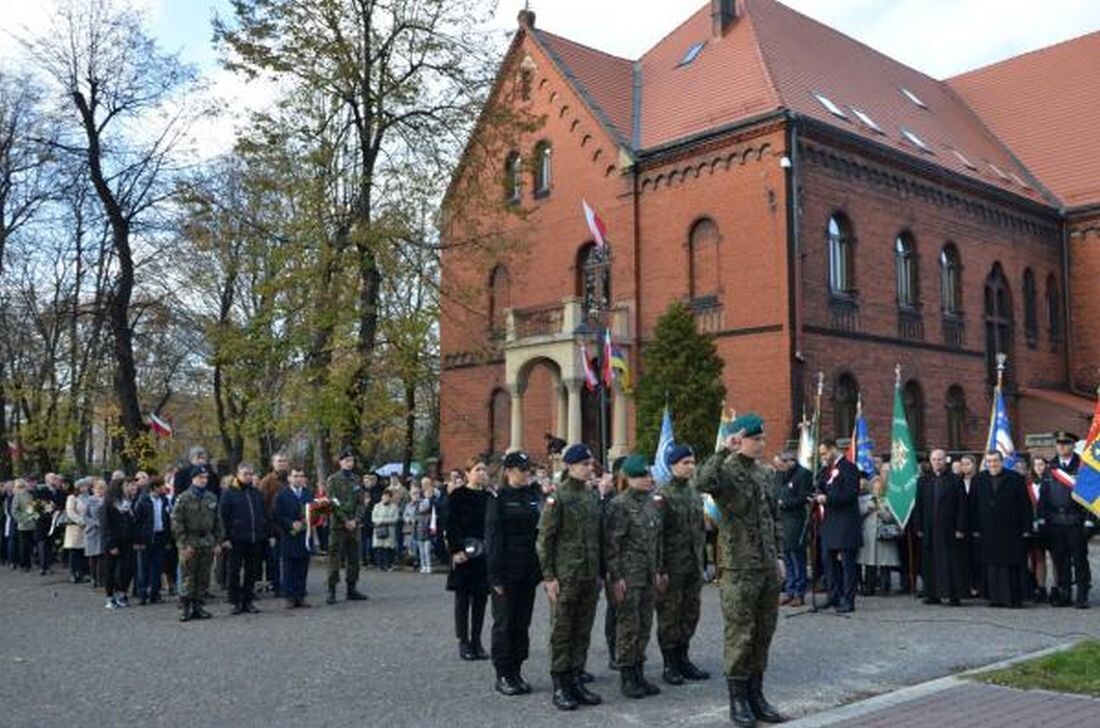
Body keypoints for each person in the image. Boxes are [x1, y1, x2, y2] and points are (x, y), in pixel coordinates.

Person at [696, 413, 786, 727]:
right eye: (754, 439)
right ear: (739, 439)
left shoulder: (765, 473)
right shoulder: (725, 470)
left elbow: (773, 518)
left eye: (762, 438)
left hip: (766, 565)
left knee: (763, 632)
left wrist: (779, 555)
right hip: (738, 566)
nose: (761, 444)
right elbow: (701, 482)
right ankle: (738, 701)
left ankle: (756, 695)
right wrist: (724, 449)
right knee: (740, 634)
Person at [536, 443, 603, 711]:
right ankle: (560, 684)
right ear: (570, 466)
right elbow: (544, 540)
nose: (590, 468)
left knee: (582, 630)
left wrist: (600, 572)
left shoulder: (591, 496)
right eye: (584, 464)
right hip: (566, 576)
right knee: (562, 631)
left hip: (588, 575)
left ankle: (576, 679)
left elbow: (598, 538)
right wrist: (549, 577)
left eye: (591, 464)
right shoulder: (558, 498)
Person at [604, 454, 663, 700]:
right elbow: (612, 544)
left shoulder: (650, 503)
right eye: (641, 476)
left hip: (647, 574)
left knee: (644, 624)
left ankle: (638, 670)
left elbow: (656, 541)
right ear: (628, 478)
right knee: (628, 625)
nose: (647, 479)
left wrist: (658, 570)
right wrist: (616, 577)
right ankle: (627, 675)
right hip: (628, 576)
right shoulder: (619, 505)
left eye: (648, 475)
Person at [485, 450, 543, 696]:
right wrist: (495, 576)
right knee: (505, 624)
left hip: (527, 570)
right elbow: (493, 538)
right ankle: (503, 673)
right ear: (509, 471)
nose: (527, 473)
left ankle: (517, 669)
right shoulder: (498, 498)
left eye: (529, 469)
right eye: (522, 470)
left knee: (522, 623)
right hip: (506, 571)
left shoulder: (531, 497)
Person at [655, 444, 709, 687]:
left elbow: (700, 531)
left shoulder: (693, 492)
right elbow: (657, 536)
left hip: (692, 565)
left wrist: (702, 562)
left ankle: (683, 658)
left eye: (692, 462)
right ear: (672, 465)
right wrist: (660, 569)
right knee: (670, 615)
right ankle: (670, 663)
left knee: (690, 613)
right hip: (672, 566)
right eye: (685, 462)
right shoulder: (663, 495)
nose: (691, 467)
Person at [972, 451, 1032, 608]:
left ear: (1001, 461)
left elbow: (1025, 505)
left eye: (995, 461)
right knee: (992, 565)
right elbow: (972, 505)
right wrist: (974, 527)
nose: (993, 464)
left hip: (1011, 530)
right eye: (990, 461)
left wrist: (1027, 527)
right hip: (988, 530)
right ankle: (995, 598)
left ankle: (1013, 598)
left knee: (1011, 566)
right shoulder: (979, 479)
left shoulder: (1015, 478)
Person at [447, 456, 491, 661]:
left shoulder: (490, 497)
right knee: (463, 599)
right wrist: (456, 550)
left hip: (484, 554)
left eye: (484, 470)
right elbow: (450, 524)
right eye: (477, 470)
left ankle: (477, 641)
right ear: (467, 473)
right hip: (464, 553)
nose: (482, 473)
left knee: (481, 599)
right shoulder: (458, 495)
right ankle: (463, 641)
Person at [1041, 431, 1091, 608]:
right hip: (1055, 521)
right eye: (1059, 444)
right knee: (1061, 560)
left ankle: (1082, 595)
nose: (1062, 447)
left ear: (1073, 445)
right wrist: (1042, 520)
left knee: (1079, 560)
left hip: (1076, 520)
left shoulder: (1083, 466)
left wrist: (1089, 521)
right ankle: (1065, 593)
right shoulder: (1051, 468)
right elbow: (1044, 497)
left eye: (1066, 443)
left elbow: (1091, 495)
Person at [912, 449, 968, 605]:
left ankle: (953, 595)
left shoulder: (956, 480)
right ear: (930, 462)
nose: (937, 462)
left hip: (949, 529)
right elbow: (919, 505)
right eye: (934, 460)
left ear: (946, 461)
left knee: (951, 563)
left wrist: (960, 528)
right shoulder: (923, 481)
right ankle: (932, 594)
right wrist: (918, 527)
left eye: (940, 459)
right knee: (930, 563)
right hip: (930, 529)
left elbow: (962, 506)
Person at [816, 438, 862, 613]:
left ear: (833, 449)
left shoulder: (849, 468)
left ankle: (848, 600)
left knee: (847, 564)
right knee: (828, 562)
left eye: (824, 453)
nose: (823, 457)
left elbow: (850, 494)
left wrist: (828, 499)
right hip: (830, 523)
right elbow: (823, 487)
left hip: (845, 523)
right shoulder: (827, 470)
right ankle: (833, 595)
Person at [172, 467, 225, 622]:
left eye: (205, 477)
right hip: (190, 540)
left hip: (207, 540)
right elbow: (176, 523)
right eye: (200, 477)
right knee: (187, 576)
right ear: (193, 479)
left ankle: (198, 606)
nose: (204, 480)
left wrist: (218, 542)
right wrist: (183, 544)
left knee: (203, 576)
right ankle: (186, 608)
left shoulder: (211, 497)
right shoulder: (184, 498)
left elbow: (218, 522)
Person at [220, 462, 268, 615]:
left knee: (251, 571)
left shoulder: (256, 493)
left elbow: (263, 514)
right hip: (236, 538)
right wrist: (225, 538)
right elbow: (223, 517)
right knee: (234, 570)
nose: (248, 477)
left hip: (254, 538)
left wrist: (264, 533)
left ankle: (248, 600)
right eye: (245, 474)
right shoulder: (229, 493)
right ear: (238, 474)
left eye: (250, 474)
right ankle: (235, 601)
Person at [325, 449, 368, 604]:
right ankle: (331, 590)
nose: (350, 464)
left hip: (354, 526)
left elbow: (361, 503)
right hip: (338, 525)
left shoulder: (356, 479)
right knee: (335, 558)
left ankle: (352, 588)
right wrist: (345, 520)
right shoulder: (333, 480)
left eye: (352, 461)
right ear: (340, 462)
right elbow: (333, 503)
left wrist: (356, 519)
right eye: (347, 461)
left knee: (354, 558)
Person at [773, 451, 812, 607]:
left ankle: (799, 592)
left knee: (797, 556)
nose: (779, 468)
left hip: (795, 519)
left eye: (781, 465)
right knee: (786, 555)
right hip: (781, 519)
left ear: (790, 461)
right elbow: (775, 491)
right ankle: (789, 590)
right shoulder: (779, 474)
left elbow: (804, 496)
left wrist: (785, 503)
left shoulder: (803, 474)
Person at [274, 465, 314, 608]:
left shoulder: (308, 494)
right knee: (289, 566)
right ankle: (289, 596)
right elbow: (277, 515)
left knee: (303, 566)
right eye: (295, 476)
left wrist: (310, 521)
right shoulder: (282, 495)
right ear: (289, 478)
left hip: (305, 535)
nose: (298, 479)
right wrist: (290, 523)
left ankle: (301, 595)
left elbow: (314, 513)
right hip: (289, 535)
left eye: (301, 476)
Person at [857, 473, 901, 594]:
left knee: (885, 563)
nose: (877, 489)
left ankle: (884, 587)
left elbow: (893, 517)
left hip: (884, 535)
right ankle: (869, 587)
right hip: (868, 535)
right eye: (875, 487)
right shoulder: (865, 499)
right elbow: (858, 514)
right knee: (869, 563)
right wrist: (868, 508)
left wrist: (881, 511)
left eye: (879, 487)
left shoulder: (889, 500)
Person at [599, 458, 623, 671]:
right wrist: (606, 569)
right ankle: (614, 651)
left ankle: (629, 650)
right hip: (614, 565)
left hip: (635, 565)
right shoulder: (610, 502)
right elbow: (604, 538)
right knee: (615, 609)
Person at [134, 477, 172, 604]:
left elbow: (167, 520)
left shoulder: (164, 500)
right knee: (143, 567)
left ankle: (154, 593)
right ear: (155, 487)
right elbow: (137, 522)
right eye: (161, 486)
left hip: (160, 536)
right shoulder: (143, 501)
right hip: (146, 537)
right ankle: (142, 594)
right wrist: (138, 541)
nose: (164, 488)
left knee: (157, 567)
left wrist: (168, 539)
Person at [102, 478, 138, 610]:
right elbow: (106, 525)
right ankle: (109, 596)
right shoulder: (110, 504)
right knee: (110, 570)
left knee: (126, 568)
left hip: (127, 540)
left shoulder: (129, 504)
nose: (129, 488)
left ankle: (121, 592)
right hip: (113, 541)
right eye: (126, 485)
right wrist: (111, 544)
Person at [258, 452, 290, 597]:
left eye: (284, 461)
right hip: (274, 527)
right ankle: (276, 586)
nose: (282, 464)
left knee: (289, 557)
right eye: (279, 461)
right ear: (273, 463)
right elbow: (262, 506)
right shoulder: (266, 482)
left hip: (290, 526)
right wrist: (268, 529)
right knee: (274, 559)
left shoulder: (290, 480)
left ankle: (290, 583)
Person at [959, 454, 983, 597]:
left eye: (968, 464)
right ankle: (966, 586)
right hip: (962, 525)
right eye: (963, 464)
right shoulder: (958, 481)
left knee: (977, 557)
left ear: (975, 465)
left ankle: (977, 585)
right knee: (964, 558)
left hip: (977, 525)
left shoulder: (980, 481)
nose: (965, 467)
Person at [63, 479, 90, 584]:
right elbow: (70, 511)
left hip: (87, 528)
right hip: (75, 527)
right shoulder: (72, 498)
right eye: (82, 486)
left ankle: (85, 572)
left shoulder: (89, 497)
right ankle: (74, 573)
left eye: (86, 486)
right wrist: (80, 521)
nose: (84, 488)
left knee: (84, 551)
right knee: (75, 551)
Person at [371, 489, 400, 571]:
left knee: (388, 548)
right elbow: (373, 518)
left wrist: (383, 520)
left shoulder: (394, 507)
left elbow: (395, 518)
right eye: (384, 496)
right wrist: (380, 521)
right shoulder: (377, 506)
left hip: (390, 529)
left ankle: (388, 565)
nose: (385, 498)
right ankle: (380, 565)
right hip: (379, 529)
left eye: (387, 496)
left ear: (390, 498)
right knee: (379, 547)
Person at [84, 480, 105, 588]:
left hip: (103, 531)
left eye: (102, 488)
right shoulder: (89, 500)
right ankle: (93, 578)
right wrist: (94, 523)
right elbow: (85, 516)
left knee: (102, 555)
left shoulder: (107, 500)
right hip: (92, 531)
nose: (99, 491)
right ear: (93, 490)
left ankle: (101, 578)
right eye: (97, 488)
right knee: (93, 556)